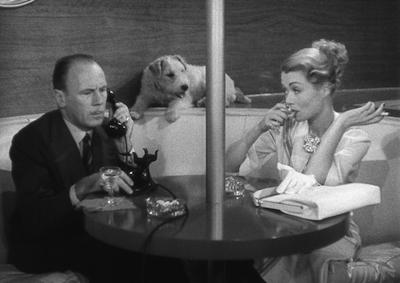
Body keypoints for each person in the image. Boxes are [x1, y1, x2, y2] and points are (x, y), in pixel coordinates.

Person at [8, 54, 189, 283]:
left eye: (103, 90)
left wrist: (124, 146)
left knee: (164, 254)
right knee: (130, 260)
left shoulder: (106, 130)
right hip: (51, 244)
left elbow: (135, 191)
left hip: (100, 233)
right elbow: (35, 219)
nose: (99, 101)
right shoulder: (32, 140)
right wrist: (80, 188)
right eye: (87, 93)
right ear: (61, 98)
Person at [225, 39, 386, 283]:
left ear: (325, 88)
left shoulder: (355, 137)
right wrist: (258, 127)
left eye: (296, 89)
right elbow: (228, 167)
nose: (287, 99)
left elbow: (312, 186)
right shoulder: (285, 128)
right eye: (285, 89)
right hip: (285, 227)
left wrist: (339, 124)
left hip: (330, 234)